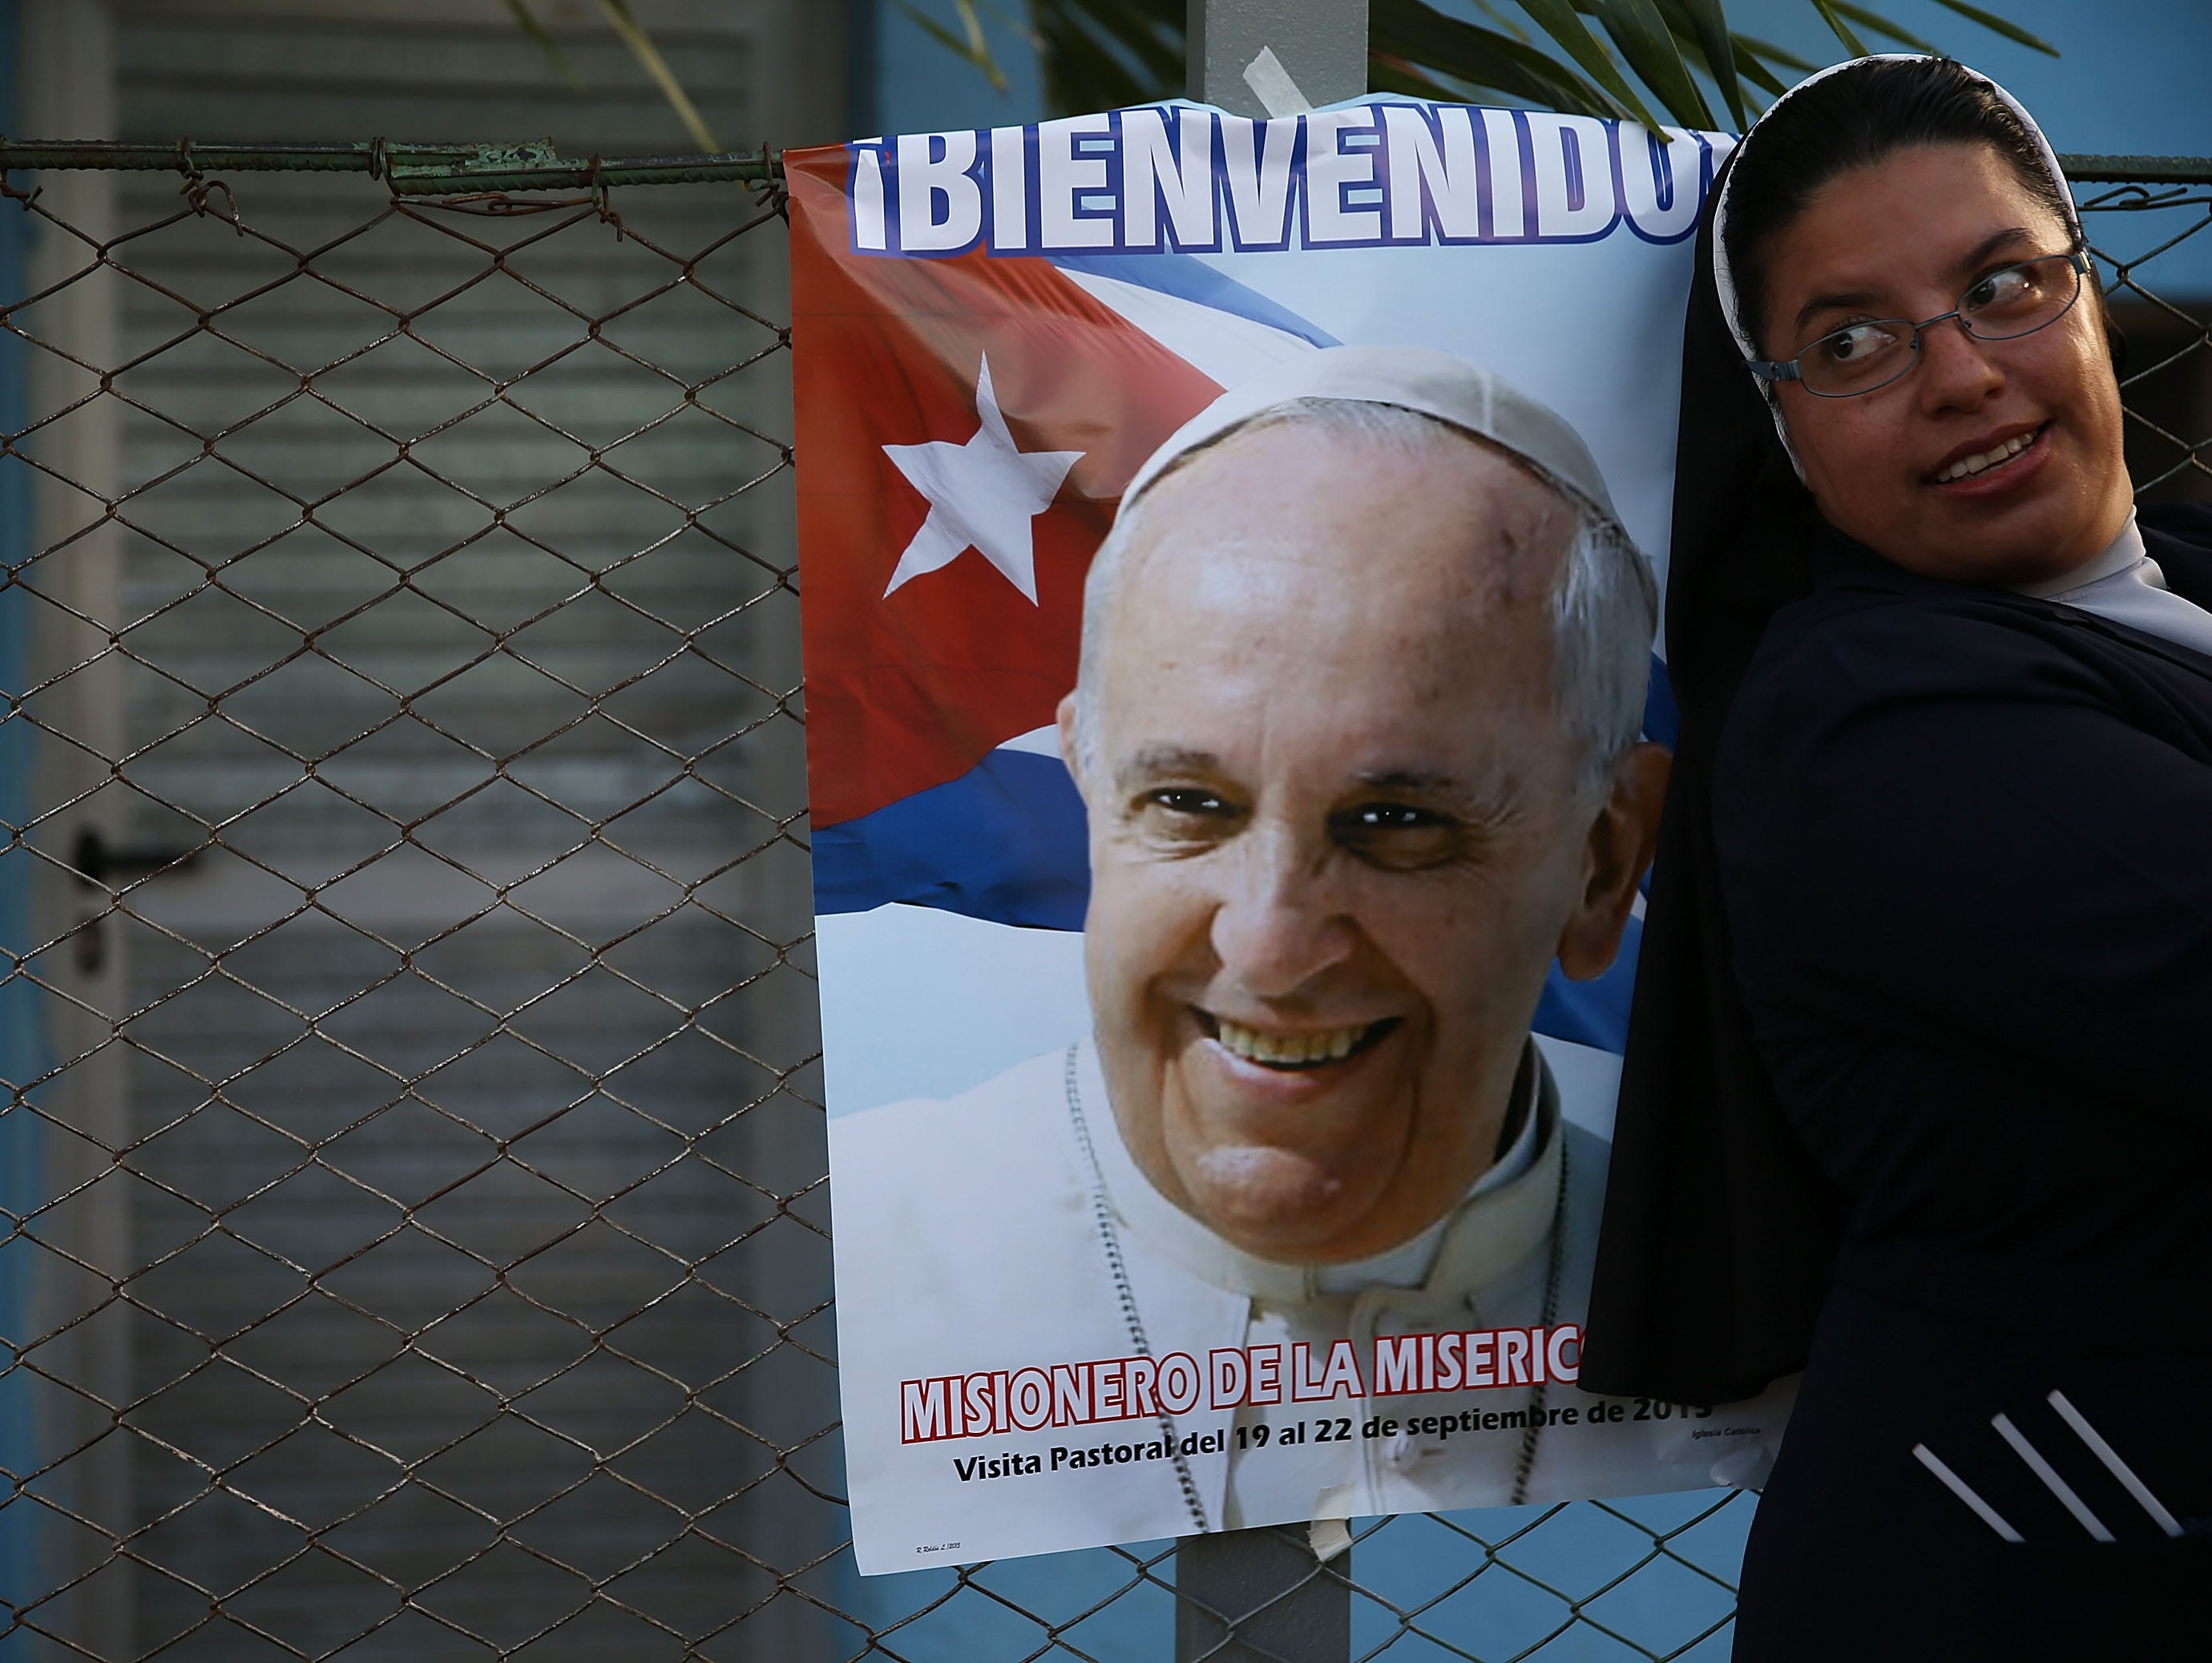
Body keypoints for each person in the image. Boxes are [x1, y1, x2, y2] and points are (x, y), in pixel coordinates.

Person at [832, 346, 1795, 1572]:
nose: (1274, 948)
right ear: (1087, 794)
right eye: (1187, 801)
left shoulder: (1744, 1301)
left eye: (1396, 823)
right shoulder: (856, 1253)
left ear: (1605, 863)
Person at [1581, 55, 2212, 1659]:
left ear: (2085, 294)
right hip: (2040, 1572)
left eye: (2004, 287)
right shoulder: (1860, 722)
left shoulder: (2183, 602)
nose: (1962, 374)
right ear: (1779, 428)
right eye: (1852, 341)